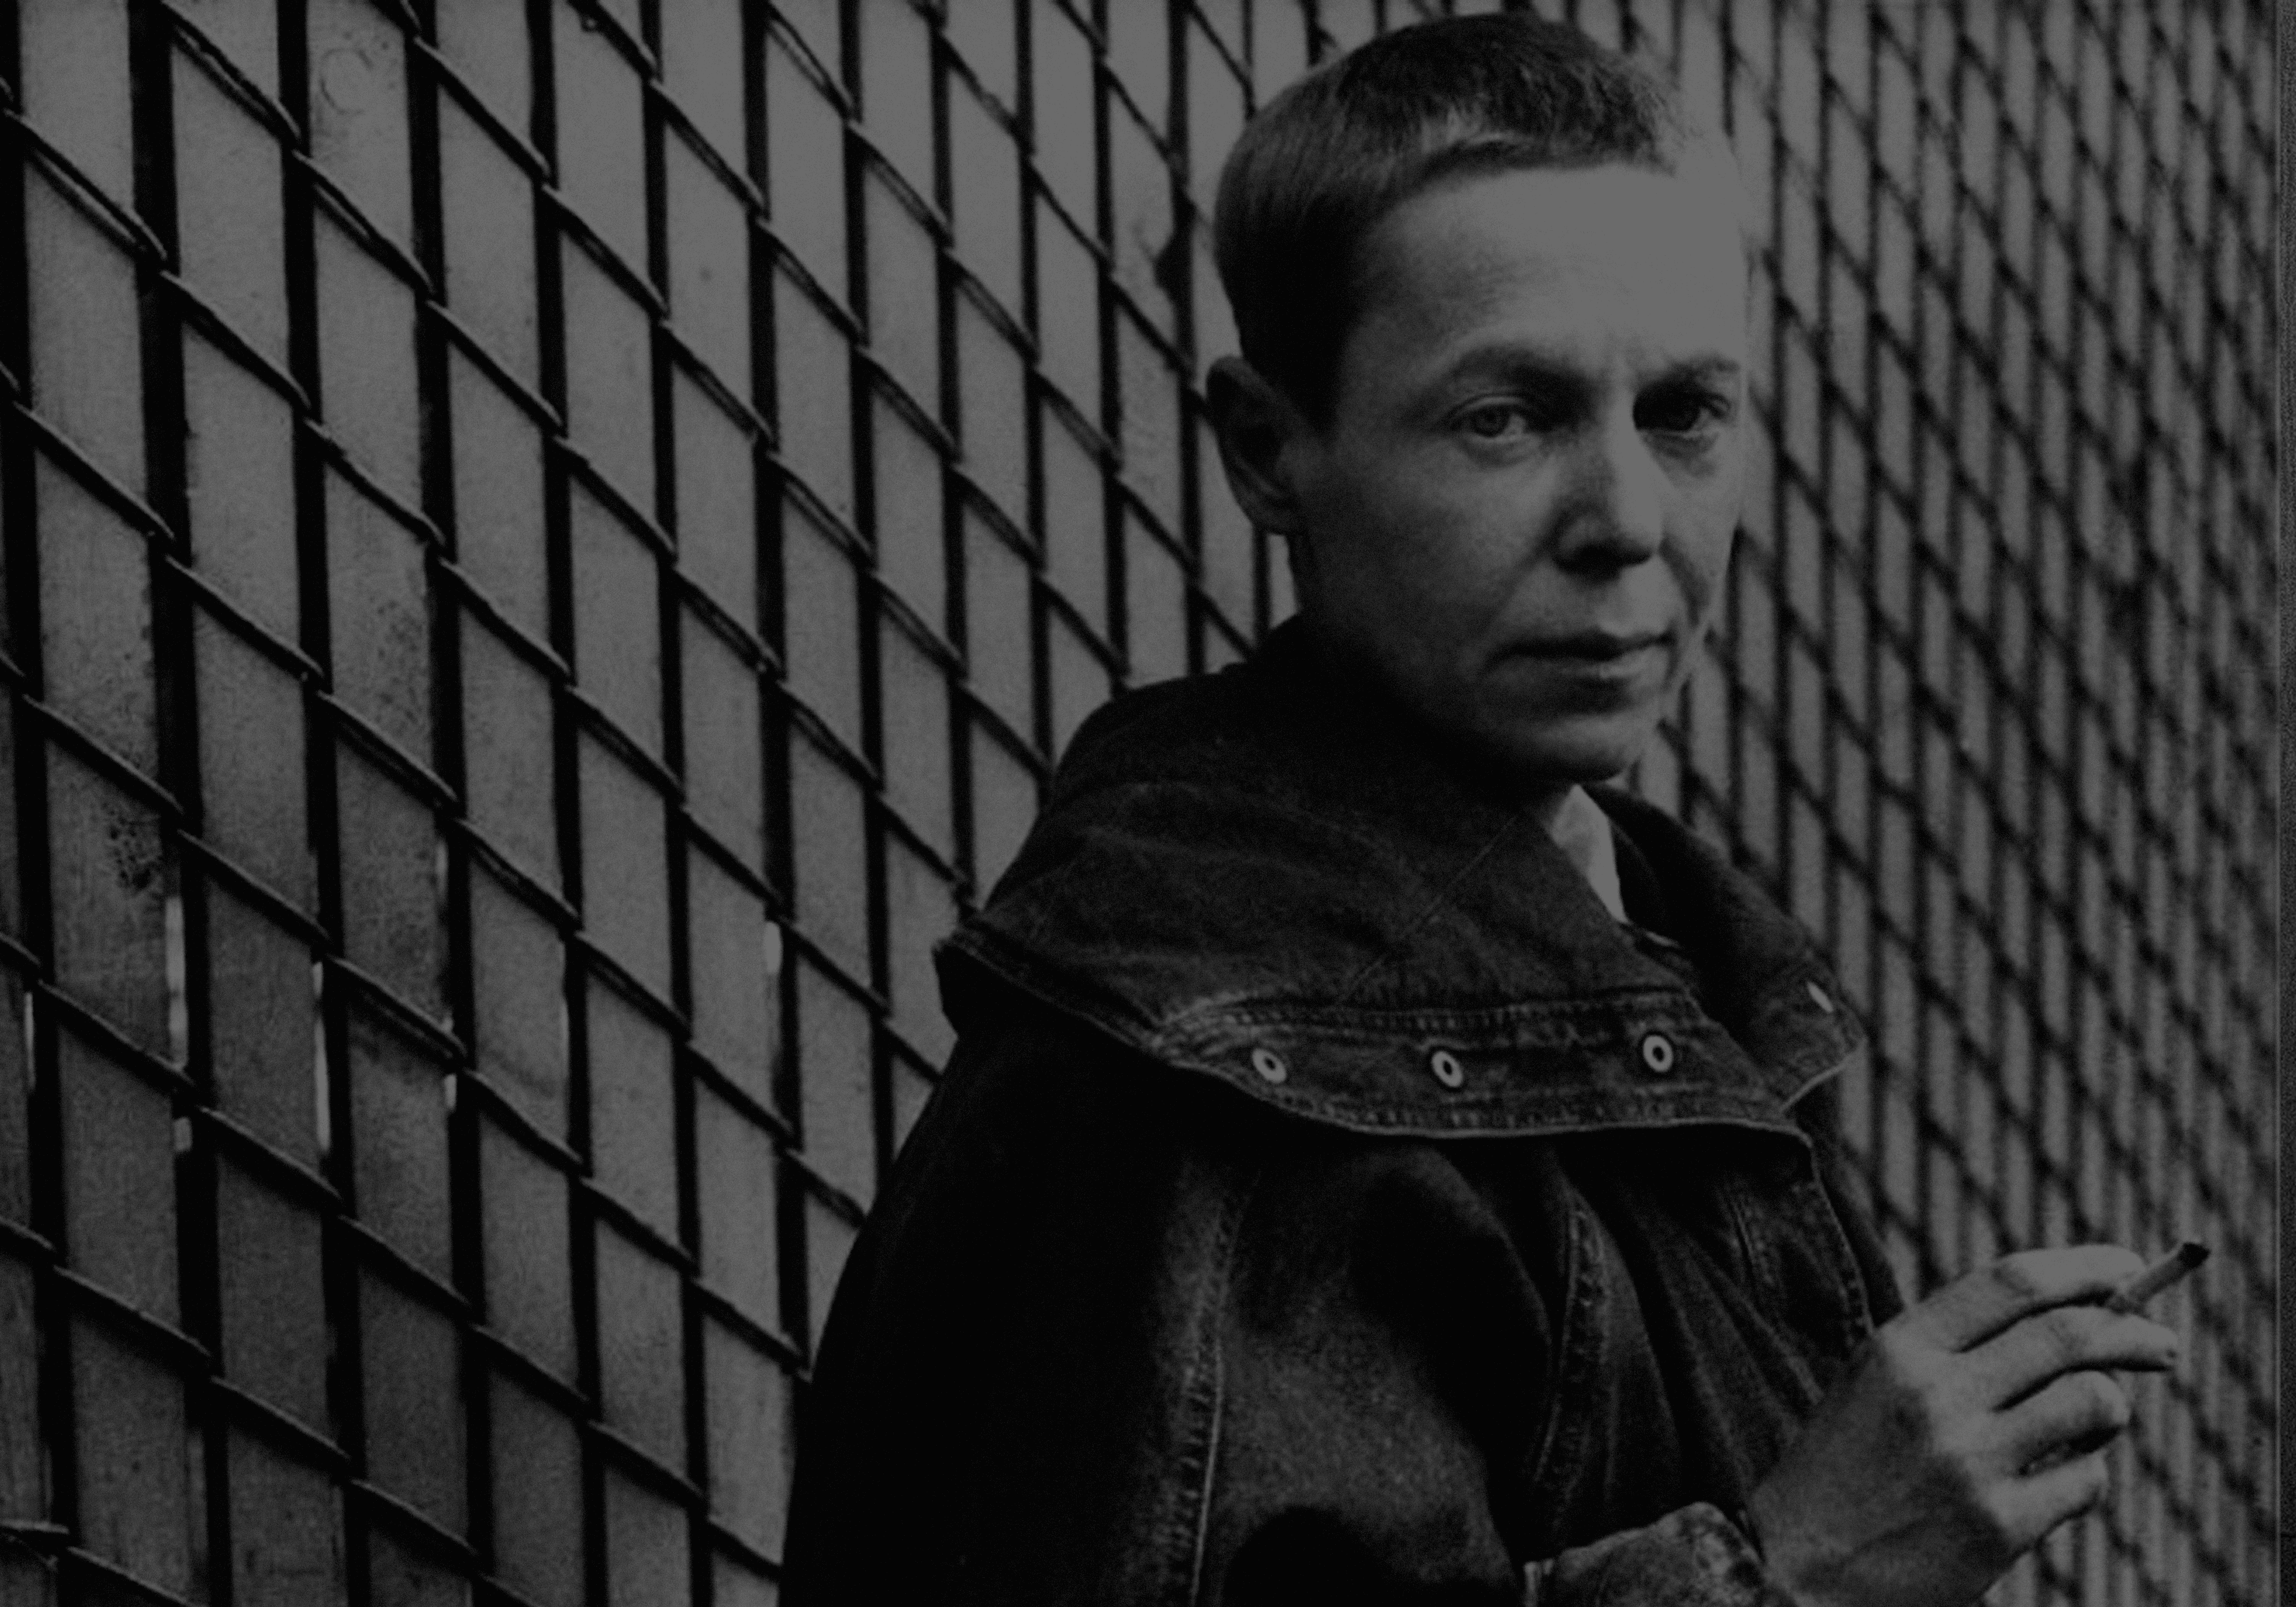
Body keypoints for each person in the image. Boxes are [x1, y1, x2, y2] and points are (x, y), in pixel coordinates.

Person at [780, 16, 2179, 1605]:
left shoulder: (1659, 943)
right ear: (1266, 447)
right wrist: (1798, 1571)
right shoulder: (1206, 1065)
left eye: (1684, 413)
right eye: (1501, 418)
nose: (1628, 524)